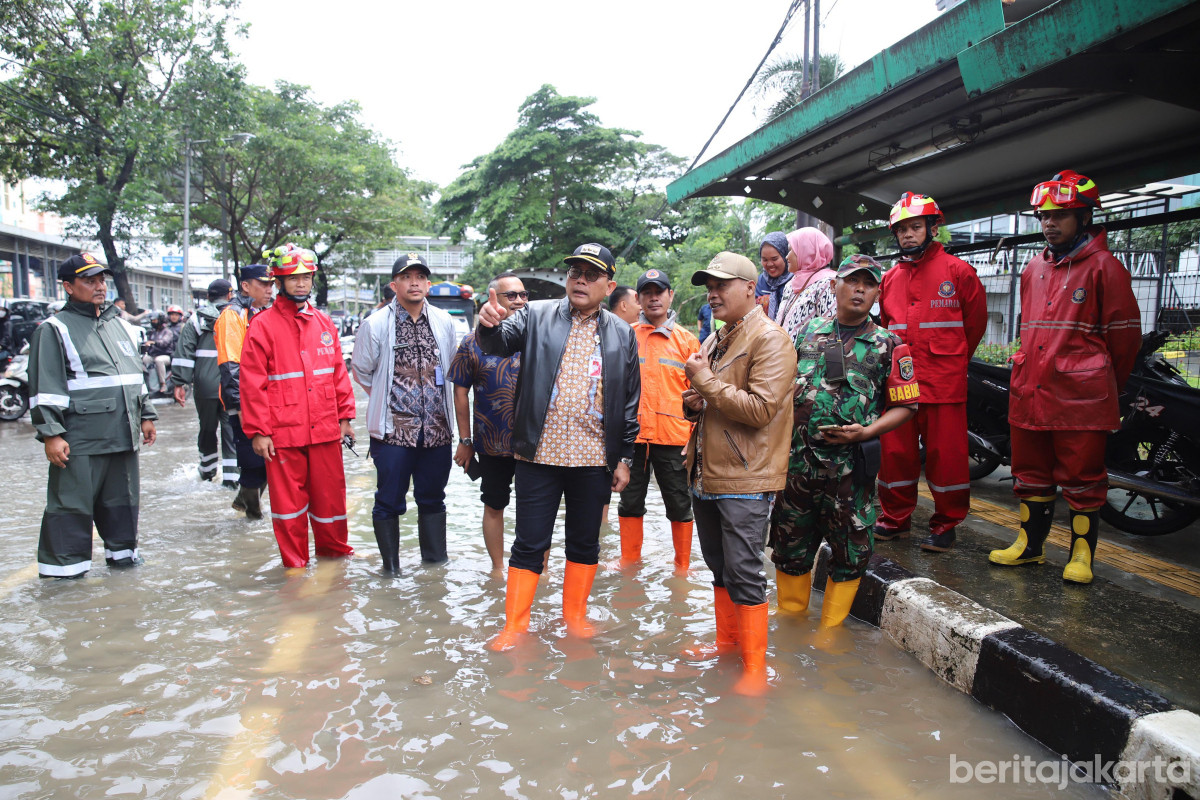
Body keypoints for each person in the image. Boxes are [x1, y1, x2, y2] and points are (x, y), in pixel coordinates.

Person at [478, 243, 640, 651]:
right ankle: (515, 626)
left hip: (593, 458)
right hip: (539, 454)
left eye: (590, 274)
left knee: (584, 541)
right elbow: (496, 344)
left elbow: (630, 400)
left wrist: (623, 457)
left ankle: (575, 618)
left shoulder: (622, 333)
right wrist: (489, 324)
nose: (580, 279)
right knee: (530, 541)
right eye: (574, 272)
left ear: (610, 284)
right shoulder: (535, 315)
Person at [989, 170, 1141, 584]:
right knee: (1029, 471)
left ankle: (1081, 556)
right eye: (1043, 216)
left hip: (1080, 397)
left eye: (1060, 215)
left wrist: (1102, 387)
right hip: (1030, 389)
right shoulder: (1033, 267)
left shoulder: (1105, 268)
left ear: (1085, 217)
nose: (1049, 223)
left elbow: (1124, 343)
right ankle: (1030, 546)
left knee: (1082, 478)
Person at [770, 255, 920, 626]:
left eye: (868, 285)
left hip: (850, 469)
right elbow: (783, 385)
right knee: (790, 546)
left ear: (877, 293)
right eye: (853, 281)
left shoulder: (889, 344)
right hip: (798, 463)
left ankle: (829, 636)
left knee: (850, 553)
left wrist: (868, 432)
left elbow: (909, 405)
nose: (860, 290)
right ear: (835, 285)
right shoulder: (808, 332)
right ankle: (790, 629)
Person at [681, 251, 796, 696]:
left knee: (745, 571)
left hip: (746, 477)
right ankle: (727, 647)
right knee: (718, 567)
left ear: (751, 289)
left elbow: (761, 409)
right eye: (709, 286)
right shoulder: (717, 338)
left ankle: (754, 669)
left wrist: (704, 383)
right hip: (707, 472)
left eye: (722, 285)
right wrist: (694, 399)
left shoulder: (771, 339)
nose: (712, 293)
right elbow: (708, 396)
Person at [29, 252, 157, 578]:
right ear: (68, 287)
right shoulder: (54, 329)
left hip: (123, 434)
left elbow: (134, 376)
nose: (99, 286)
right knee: (70, 509)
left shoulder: (119, 324)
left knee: (123, 506)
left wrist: (146, 414)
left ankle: (124, 565)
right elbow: (46, 386)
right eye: (89, 281)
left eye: (101, 280)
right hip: (81, 440)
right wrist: (51, 434)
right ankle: (63, 577)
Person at [875, 192, 986, 553]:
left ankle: (946, 523)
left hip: (944, 381)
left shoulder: (958, 272)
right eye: (902, 229)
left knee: (946, 455)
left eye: (915, 227)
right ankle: (895, 519)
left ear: (932, 228)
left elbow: (975, 326)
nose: (908, 235)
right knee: (895, 453)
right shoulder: (890, 279)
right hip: (900, 383)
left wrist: (949, 360)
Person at [240, 244, 356, 569]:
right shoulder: (261, 326)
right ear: (278, 280)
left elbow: (337, 374)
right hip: (283, 434)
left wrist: (345, 416)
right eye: (293, 278)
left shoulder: (323, 323)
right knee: (289, 507)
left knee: (331, 501)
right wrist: (259, 432)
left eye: (306, 277)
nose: (301, 284)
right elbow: (251, 383)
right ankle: (295, 566)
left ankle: (335, 558)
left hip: (325, 430)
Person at [352, 253, 458, 572]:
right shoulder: (375, 324)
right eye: (406, 276)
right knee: (388, 502)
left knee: (433, 499)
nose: (414, 282)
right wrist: (389, 399)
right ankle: (391, 569)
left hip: (437, 432)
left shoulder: (443, 321)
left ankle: (435, 567)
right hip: (393, 434)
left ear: (428, 284)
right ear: (394, 284)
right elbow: (361, 370)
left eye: (420, 277)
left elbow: (451, 367)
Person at [616, 268, 701, 573]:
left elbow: (700, 396)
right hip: (633, 438)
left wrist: (693, 438)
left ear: (670, 295)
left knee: (679, 503)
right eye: (647, 293)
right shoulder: (624, 335)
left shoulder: (688, 342)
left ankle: (682, 566)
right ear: (638, 299)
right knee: (629, 501)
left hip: (674, 438)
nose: (653, 298)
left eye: (659, 292)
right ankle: (629, 560)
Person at [448, 272, 527, 577]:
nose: (519, 300)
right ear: (492, 299)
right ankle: (497, 569)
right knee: (494, 505)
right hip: (492, 444)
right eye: (511, 295)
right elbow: (460, 391)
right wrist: (465, 441)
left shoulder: (541, 337)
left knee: (537, 508)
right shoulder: (473, 342)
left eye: (523, 295)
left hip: (537, 444)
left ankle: (538, 570)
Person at [214, 264, 275, 518]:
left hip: (269, 399)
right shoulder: (233, 315)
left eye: (271, 284)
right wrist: (239, 407)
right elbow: (230, 365)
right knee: (254, 463)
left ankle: (244, 502)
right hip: (245, 402)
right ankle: (252, 514)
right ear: (246, 286)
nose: (269, 290)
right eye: (263, 284)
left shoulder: (265, 313)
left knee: (271, 460)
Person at [172, 279, 236, 485]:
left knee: (207, 429)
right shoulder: (236, 316)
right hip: (231, 384)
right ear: (229, 295)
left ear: (208, 296)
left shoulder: (195, 320)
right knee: (231, 431)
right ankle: (231, 480)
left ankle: (207, 473)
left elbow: (184, 353)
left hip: (204, 385)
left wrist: (179, 383)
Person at [775, 228, 837, 340]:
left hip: (808, 356)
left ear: (806, 251)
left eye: (791, 250)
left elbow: (830, 330)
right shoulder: (792, 283)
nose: (787, 256)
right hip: (781, 353)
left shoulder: (827, 283)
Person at [755, 233, 791, 319]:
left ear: (785, 256)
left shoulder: (796, 282)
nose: (770, 264)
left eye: (774, 259)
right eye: (765, 259)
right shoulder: (758, 283)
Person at [142, 311, 177, 394]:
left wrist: (154, 342)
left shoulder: (167, 332)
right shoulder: (152, 332)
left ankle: (163, 384)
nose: (153, 322)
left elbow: (164, 343)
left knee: (159, 360)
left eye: (155, 320)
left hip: (166, 356)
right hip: (153, 355)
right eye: (152, 321)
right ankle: (146, 383)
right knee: (142, 360)